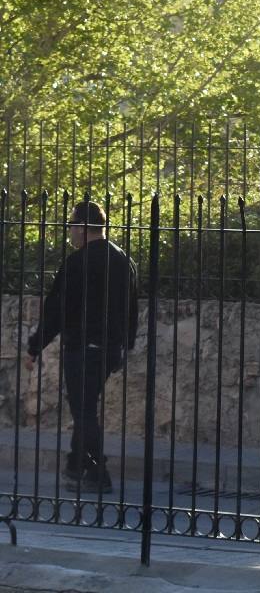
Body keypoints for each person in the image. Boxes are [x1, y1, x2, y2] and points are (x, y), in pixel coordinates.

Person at [26, 199, 138, 491]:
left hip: (83, 348)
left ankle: (98, 474)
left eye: (73, 226)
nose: (71, 233)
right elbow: (133, 307)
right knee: (85, 406)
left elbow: (57, 311)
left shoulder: (77, 263)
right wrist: (126, 344)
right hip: (110, 349)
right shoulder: (123, 259)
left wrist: (35, 347)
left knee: (83, 411)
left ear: (84, 228)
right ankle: (77, 465)